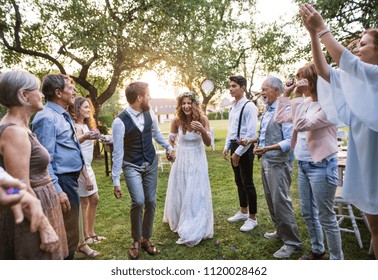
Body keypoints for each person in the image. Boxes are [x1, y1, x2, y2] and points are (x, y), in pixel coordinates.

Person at [300, 3, 378, 259]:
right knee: (375, 228)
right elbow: (324, 72)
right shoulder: (356, 81)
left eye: (363, 44)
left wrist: (322, 28)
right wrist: (313, 35)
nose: (357, 48)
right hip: (368, 165)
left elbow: (348, 62)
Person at [275, 63, 343, 260]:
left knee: (326, 216)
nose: (297, 82)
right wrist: (286, 94)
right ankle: (318, 250)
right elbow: (279, 118)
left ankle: (337, 260)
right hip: (303, 165)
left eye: (301, 78)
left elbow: (302, 125)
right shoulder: (304, 104)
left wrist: (295, 98)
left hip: (321, 166)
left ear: (313, 80)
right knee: (307, 212)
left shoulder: (329, 106)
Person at [0, 70, 68, 259]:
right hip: (31, 216)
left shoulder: (21, 128)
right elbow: (17, 188)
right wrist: (44, 227)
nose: (42, 95)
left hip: (41, 204)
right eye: (37, 90)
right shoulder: (14, 133)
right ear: (23, 95)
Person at [112, 81, 174, 260]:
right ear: (139, 98)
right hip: (131, 165)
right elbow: (118, 152)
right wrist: (116, 180)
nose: (150, 97)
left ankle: (146, 238)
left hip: (151, 163)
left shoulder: (150, 113)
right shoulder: (119, 121)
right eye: (148, 94)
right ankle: (135, 240)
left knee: (151, 201)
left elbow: (156, 134)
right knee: (138, 201)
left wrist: (168, 148)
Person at [248, 76, 301, 258]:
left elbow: (289, 141)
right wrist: (256, 143)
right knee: (271, 200)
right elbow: (266, 135)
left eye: (265, 89)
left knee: (281, 201)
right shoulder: (268, 110)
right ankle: (280, 230)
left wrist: (268, 148)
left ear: (277, 91)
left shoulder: (285, 109)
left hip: (279, 163)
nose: (262, 93)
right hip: (266, 161)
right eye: (261, 89)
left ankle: (292, 242)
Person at [32, 73, 83, 260]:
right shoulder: (46, 118)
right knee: (68, 235)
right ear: (58, 92)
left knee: (71, 233)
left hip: (71, 179)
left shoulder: (62, 114)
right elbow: (44, 161)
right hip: (62, 181)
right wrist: (58, 190)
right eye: (70, 87)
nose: (74, 91)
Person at [163, 92, 213, 247]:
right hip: (182, 159)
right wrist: (169, 151)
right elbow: (170, 142)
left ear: (194, 104)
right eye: (183, 103)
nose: (186, 106)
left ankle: (194, 220)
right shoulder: (176, 121)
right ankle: (180, 218)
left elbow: (208, 143)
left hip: (198, 158)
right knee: (182, 188)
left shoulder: (203, 119)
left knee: (196, 189)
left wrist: (203, 131)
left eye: (189, 103)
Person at [222, 75, 258, 232]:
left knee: (248, 182)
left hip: (245, 147)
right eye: (230, 86)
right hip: (234, 145)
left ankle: (252, 218)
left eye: (234, 86)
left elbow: (250, 132)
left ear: (243, 88)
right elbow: (231, 129)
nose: (231, 88)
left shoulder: (249, 106)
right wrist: (226, 146)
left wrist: (238, 152)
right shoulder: (232, 106)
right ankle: (243, 211)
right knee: (238, 181)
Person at [70, 97, 106, 245]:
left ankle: (91, 232)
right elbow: (76, 151)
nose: (88, 110)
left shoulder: (85, 125)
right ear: (77, 108)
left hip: (88, 166)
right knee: (84, 202)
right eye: (85, 107)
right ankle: (85, 236)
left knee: (95, 199)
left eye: (88, 107)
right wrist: (86, 177)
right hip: (81, 168)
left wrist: (99, 136)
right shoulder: (75, 127)